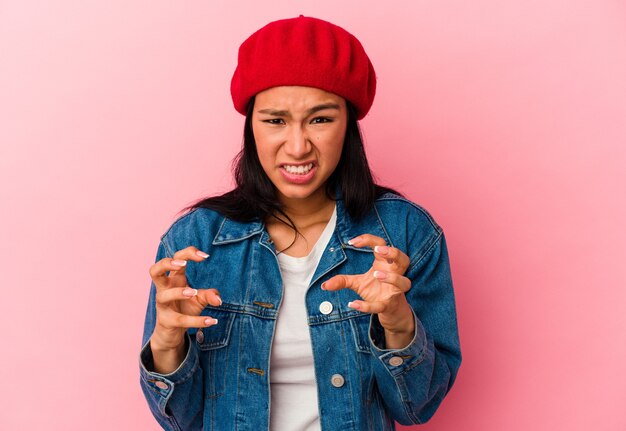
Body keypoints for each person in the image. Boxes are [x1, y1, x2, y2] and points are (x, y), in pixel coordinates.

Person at [139, 15, 461, 431]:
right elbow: (179, 421)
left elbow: (417, 407)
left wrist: (398, 323)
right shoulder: (196, 242)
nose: (297, 146)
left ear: (349, 124)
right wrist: (167, 344)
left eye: (320, 119)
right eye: (275, 120)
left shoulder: (405, 235)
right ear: (251, 126)